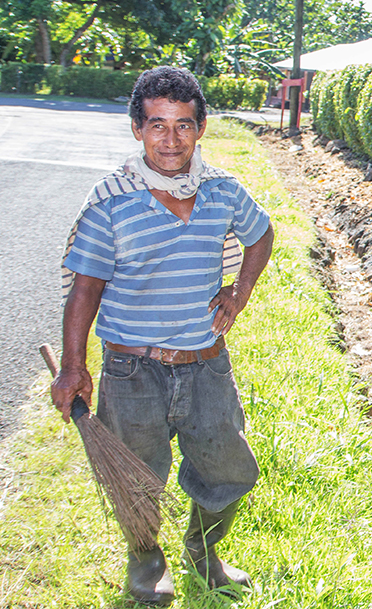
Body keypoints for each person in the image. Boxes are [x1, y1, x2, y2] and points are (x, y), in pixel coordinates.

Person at [51, 66, 274, 606]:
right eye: (156, 125)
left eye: (182, 125)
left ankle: (204, 552)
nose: (169, 139)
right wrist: (74, 367)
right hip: (132, 370)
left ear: (200, 129)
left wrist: (238, 292)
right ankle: (147, 559)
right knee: (135, 476)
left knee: (229, 469)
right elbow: (84, 292)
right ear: (137, 129)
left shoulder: (222, 190)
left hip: (205, 365)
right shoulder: (111, 201)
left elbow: (262, 233)